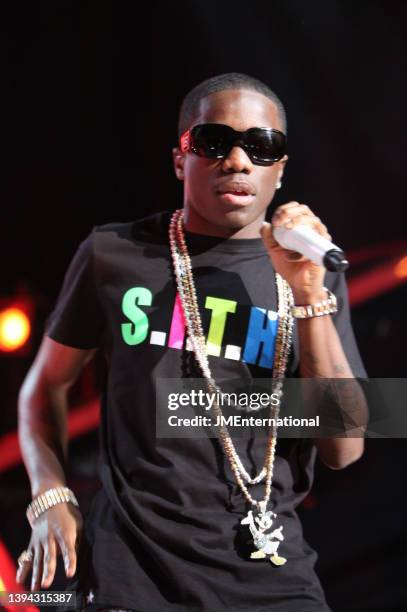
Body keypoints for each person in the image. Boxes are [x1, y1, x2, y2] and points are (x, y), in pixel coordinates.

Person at [16, 73, 367, 612]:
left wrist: (308, 298)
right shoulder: (113, 252)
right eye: (212, 142)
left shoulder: (315, 273)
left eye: (261, 146)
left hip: (274, 578)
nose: (236, 160)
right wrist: (49, 495)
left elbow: (344, 449)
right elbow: (44, 390)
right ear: (180, 159)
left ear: (279, 170)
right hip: (133, 577)